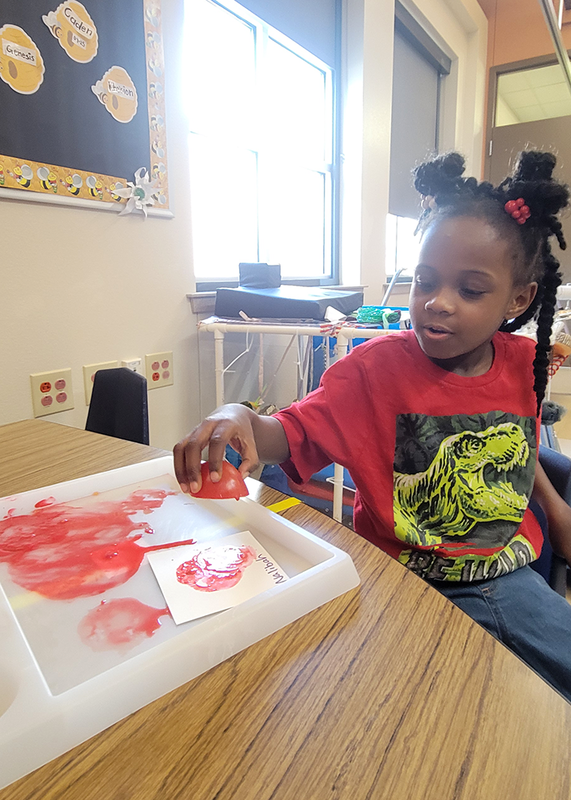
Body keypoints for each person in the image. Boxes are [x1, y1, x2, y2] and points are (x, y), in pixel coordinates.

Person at [175, 151, 571, 702]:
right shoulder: (371, 370)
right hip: (397, 584)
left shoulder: (519, 363)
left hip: (510, 579)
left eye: (471, 290)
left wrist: (555, 509)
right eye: (424, 281)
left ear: (519, 298)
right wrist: (238, 415)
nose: (438, 303)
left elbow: (520, 444)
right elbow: (286, 435)